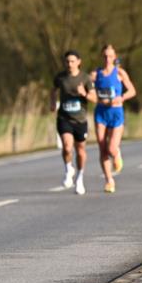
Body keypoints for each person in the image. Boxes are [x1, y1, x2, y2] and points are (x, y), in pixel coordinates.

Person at [90, 44, 137, 193]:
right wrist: (98, 99)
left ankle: (116, 153)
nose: (107, 59)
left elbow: (132, 91)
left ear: (114, 57)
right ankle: (109, 180)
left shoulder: (120, 73)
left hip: (116, 112)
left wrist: (121, 97)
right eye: (105, 56)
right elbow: (88, 91)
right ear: (101, 56)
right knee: (102, 147)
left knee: (111, 148)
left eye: (110, 56)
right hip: (101, 113)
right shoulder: (95, 74)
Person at [53, 50, 96, 195]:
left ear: (79, 62)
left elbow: (94, 98)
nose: (69, 64)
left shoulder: (85, 78)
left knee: (81, 151)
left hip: (80, 120)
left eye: (72, 61)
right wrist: (53, 103)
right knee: (66, 146)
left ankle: (80, 178)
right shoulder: (60, 77)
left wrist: (84, 93)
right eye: (67, 61)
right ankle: (68, 169)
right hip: (64, 118)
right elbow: (53, 90)